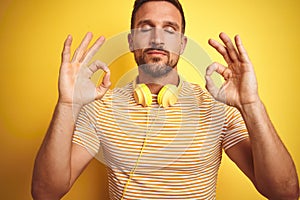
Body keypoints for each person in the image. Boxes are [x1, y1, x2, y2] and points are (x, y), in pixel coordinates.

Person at [31, 0, 299, 199]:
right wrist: (67, 105)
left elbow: (284, 193)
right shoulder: (101, 108)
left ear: (182, 44)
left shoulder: (217, 106)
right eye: (146, 28)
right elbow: (45, 193)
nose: (157, 39)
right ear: (131, 41)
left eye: (169, 30)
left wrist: (251, 105)